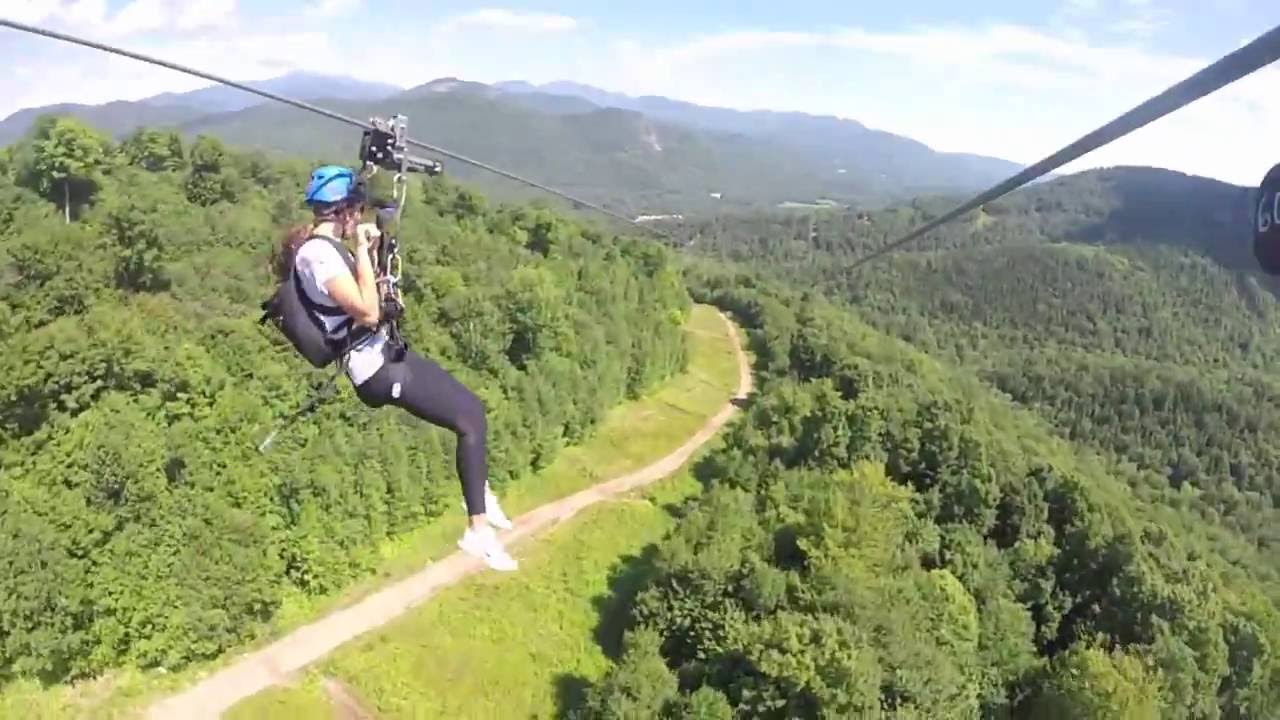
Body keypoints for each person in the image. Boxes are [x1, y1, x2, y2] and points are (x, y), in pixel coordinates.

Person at [273, 165, 518, 572]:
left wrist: (370, 253)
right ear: (344, 210)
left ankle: (479, 494)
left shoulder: (326, 250)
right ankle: (477, 530)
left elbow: (366, 296)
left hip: (386, 358)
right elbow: (368, 312)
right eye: (358, 211)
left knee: (471, 409)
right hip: (379, 371)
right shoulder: (318, 256)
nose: (360, 218)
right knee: (470, 420)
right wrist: (362, 250)